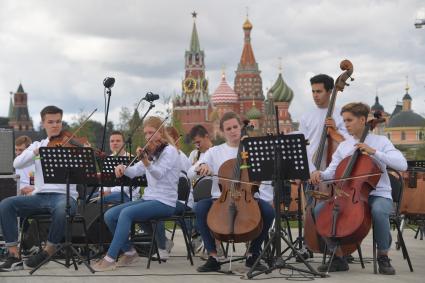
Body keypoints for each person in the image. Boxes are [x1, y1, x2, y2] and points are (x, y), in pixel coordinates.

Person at [310, 102, 407, 275]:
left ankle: (383, 256)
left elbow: (402, 164)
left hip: (379, 194)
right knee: (319, 211)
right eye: (344, 120)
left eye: (349, 120)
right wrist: (320, 174)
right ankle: (338, 257)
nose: (345, 124)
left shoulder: (381, 141)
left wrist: (374, 152)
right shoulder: (345, 146)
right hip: (349, 195)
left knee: (378, 210)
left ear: (363, 120)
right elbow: (332, 172)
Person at [188, 111, 275, 272]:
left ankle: (252, 254)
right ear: (222, 132)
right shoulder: (214, 152)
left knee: (269, 212)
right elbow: (190, 172)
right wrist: (201, 166)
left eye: (235, 127)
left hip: (248, 198)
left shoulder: (252, 149)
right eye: (228, 129)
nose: (233, 131)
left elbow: (266, 174)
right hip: (220, 199)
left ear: (241, 127)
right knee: (200, 208)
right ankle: (213, 256)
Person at [92, 116, 180, 271]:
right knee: (110, 215)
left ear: (160, 132)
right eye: (146, 133)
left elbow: (158, 174)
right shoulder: (152, 152)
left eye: (151, 132)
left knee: (126, 213)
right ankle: (130, 251)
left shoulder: (170, 152)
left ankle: (110, 258)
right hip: (149, 199)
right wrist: (122, 168)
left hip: (165, 202)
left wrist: (146, 162)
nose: (148, 137)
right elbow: (134, 172)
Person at [0, 106, 78, 271]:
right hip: (40, 196)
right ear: (43, 123)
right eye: (50, 122)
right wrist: (37, 152)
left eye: (58, 121)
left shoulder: (70, 144)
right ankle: (14, 256)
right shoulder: (37, 145)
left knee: (62, 208)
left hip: (64, 196)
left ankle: (48, 251)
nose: (55, 125)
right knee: (6, 204)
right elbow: (17, 163)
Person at [298, 74, 349, 173]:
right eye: (313, 91)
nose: (315, 95)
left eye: (319, 91)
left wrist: (335, 130)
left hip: (334, 168)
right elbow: (302, 145)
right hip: (311, 168)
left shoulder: (342, 114)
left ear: (330, 92)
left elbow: (349, 142)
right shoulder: (306, 116)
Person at [94, 131, 139, 204]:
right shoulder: (108, 159)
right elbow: (105, 180)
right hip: (111, 193)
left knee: (101, 200)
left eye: (118, 141)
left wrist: (110, 191)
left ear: (124, 144)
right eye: (112, 141)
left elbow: (127, 188)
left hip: (127, 196)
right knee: (86, 199)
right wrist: (102, 191)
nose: (115, 143)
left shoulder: (132, 159)